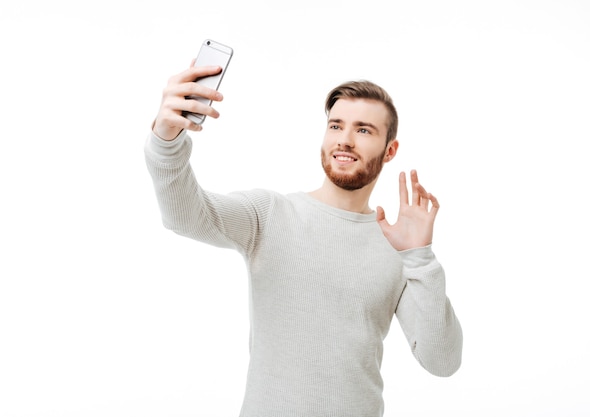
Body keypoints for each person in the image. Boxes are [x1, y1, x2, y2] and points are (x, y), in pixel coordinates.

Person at [144, 63, 463, 417]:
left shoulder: (397, 248)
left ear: (390, 150)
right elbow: (184, 216)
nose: (344, 139)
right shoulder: (270, 214)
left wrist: (419, 258)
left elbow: (442, 360)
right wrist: (166, 140)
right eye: (336, 125)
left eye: (364, 130)